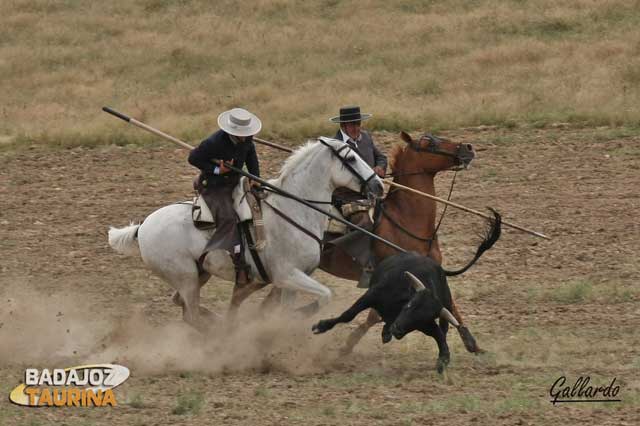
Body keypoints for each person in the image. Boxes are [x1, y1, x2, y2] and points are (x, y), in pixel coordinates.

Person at [188, 107, 262, 286]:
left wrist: (255, 178)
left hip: (236, 182)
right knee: (229, 218)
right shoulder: (213, 142)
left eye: (247, 133)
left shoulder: (248, 139)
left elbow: (251, 156)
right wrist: (217, 170)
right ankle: (238, 263)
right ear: (232, 132)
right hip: (214, 187)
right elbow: (193, 158)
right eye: (242, 134)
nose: (245, 137)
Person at [330, 106, 387, 228]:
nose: (356, 128)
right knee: (365, 223)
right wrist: (366, 176)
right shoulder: (336, 145)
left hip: (371, 193)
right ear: (343, 126)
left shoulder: (366, 137)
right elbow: (339, 176)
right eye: (352, 125)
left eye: (358, 123)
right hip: (347, 197)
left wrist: (380, 167)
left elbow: (381, 157)